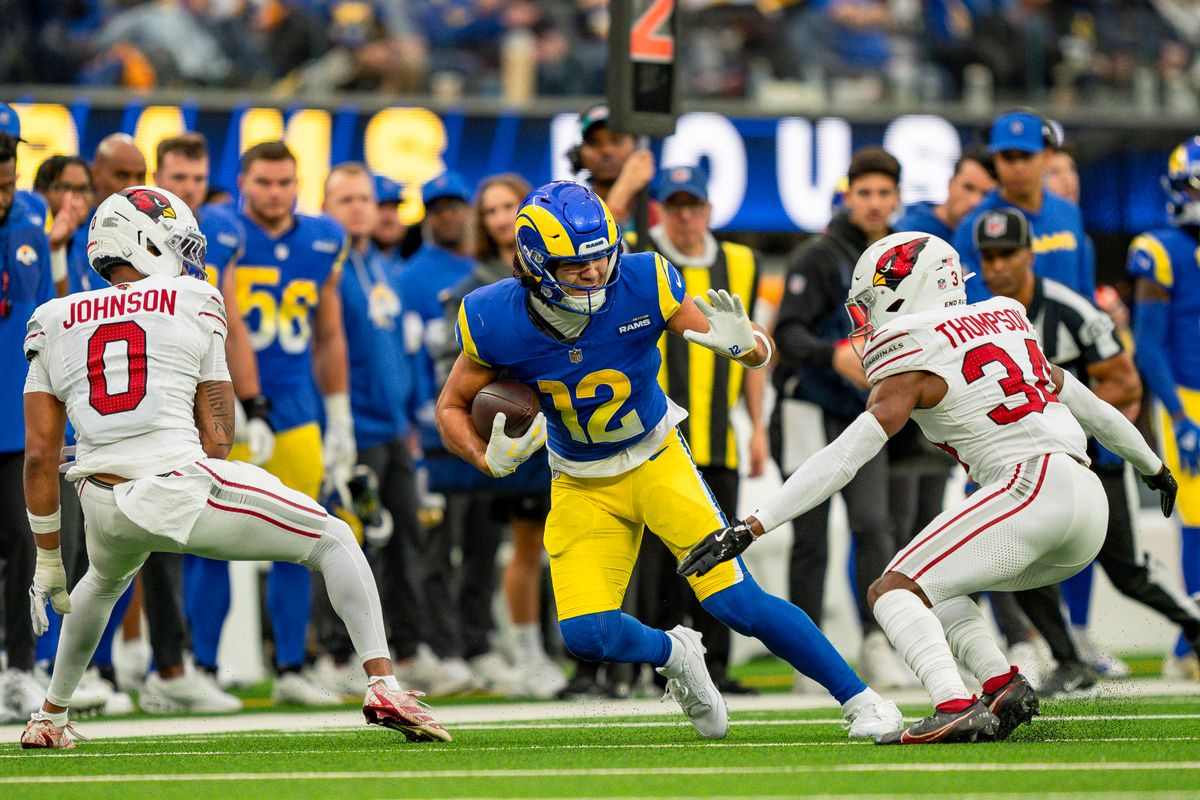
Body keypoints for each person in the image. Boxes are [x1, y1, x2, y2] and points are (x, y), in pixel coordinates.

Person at [436, 179, 902, 740]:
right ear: (536, 265)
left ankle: (862, 699)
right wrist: (487, 459)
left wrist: (749, 347)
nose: (595, 274)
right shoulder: (493, 317)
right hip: (580, 480)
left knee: (738, 602)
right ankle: (675, 653)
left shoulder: (643, 280)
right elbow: (451, 406)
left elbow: (750, 345)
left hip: (656, 459)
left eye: (601, 258)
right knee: (585, 635)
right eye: (576, 266)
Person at [681, 231, 1177, 744]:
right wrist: (1152, 465)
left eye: (872, 301)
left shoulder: (913, 346)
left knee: (890, 590)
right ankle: (1001, 685)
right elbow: (1086, 402)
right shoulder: (1006, 316)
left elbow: (844, 457)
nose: (867, 318)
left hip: (1029, 487)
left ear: (906, 289)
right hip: (1086, 501)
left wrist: (751, 526)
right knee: (936, 587)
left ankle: (953, 704)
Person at [19, 186, 449, 749]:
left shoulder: (51, 317)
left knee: (100, 582)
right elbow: (219, 439)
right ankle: (385, 685)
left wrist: (49, 558)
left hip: (99, 500)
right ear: (145, 241)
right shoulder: (194, 297)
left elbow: (39, 455)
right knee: (334, 538)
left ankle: (50, 717)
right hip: (175, 484)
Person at [980, 206, 1200, 691]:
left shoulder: (1070, 308)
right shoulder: (976, 320)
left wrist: (1054, 415)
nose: (998, 266)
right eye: (989, 256)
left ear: (1029, 254)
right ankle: (1068, 659)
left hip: (1095, 460)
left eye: (1007, 254)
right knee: (1015, 562)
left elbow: (1126, 384)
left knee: (1126, 572)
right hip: (1027, 468)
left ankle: (1195, 626)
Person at [772, 146, 912, 687]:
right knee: (810, 533)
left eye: (883, 193)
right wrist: (833, 355)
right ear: (848, 195)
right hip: (810, 406)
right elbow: (787, 332)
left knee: (873, 525)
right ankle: (805, 656)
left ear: (897, 198)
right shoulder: (818, 255)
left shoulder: (906, 258)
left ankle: (878, 642)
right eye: (865, 192)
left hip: (865, 411)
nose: (874, 202)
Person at [228, 141, 358, 705]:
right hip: (230, 407)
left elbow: (329, 334)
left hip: (297, 408)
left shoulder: (324, 237)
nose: (275, 193)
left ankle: (289, 666)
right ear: (242, 183)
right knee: (209, 542)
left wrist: (339, 414)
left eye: (285, 182)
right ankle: (198, 665)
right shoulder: (221, 231)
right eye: (264, 182)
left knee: (299, 542)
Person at [149, 132, 273, 712]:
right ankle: (121, 665)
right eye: (179, 178)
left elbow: (231, 321)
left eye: (198, 178)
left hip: (199, 394)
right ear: (158, 178)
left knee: (208, 532)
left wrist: (251, 401)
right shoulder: (135, 226)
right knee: (130, 542)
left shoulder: (221, 231)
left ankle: (193, 663)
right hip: (148, 396)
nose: (190, 189)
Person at [433, 172, 567, 697]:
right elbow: (458, 369)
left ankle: (565, 650)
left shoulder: (565, 271)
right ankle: (526, 654)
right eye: (488, 211)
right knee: (522, 545)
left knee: (564, 541)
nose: (498, 220)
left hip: (567, 427)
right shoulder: (475, 288)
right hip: (516, 431)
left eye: (507, 207)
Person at [639, 164, 765, 695]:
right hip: (656, 435)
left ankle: (718, 665)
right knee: (660, 559)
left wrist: (757, 426)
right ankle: (663, 666)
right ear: (661, 211)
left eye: (693, 206)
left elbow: (754, 343)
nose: (686, 216)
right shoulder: (641, 256)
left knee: (722, 551)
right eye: (676, 206)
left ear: (708, 210)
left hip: (718, 435)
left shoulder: (742, 261)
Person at [319, 162, 428, 696]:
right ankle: (338, 654)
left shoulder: (382, 266)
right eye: (347, 199)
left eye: (365, 198)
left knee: (406, 539)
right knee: (353, 544)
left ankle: (407, 651)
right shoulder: (328, 270)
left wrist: (408, 417)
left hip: (393, 430)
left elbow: (395, 355)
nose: (360, 208)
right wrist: (334, 425)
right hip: (354, 431)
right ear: (326, 207)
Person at [1128, 135, 1200, 681]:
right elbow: (1148, 345)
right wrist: (1178, 417)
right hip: (1186, 396)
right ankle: (1189, 645)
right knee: (1196, 520)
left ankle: (1184, 643)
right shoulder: (1159, 249)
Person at [0, 129, 54, 722]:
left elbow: (45, 324)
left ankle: (18, 668)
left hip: (14, 419)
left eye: (8, 184)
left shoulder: (30, 232)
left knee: (24, 539)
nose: (3, 196)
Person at [955, 109, 1093, 304]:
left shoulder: (1068, 212)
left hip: (1067, 322)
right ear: (994, 159)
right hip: (1009, 324)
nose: (1018, 167)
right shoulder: (975, 225)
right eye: (1007, 157)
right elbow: (974, 306)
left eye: (1026, 156)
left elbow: (1085, 292)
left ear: (1047, 156)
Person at [569, 104, 655, 225]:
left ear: (637, 147)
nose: (606, 151)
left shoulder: (659, 215)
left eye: (616, 140)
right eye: (595, 142)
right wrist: (623, 191)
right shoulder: (570, 216)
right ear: (578, 154)